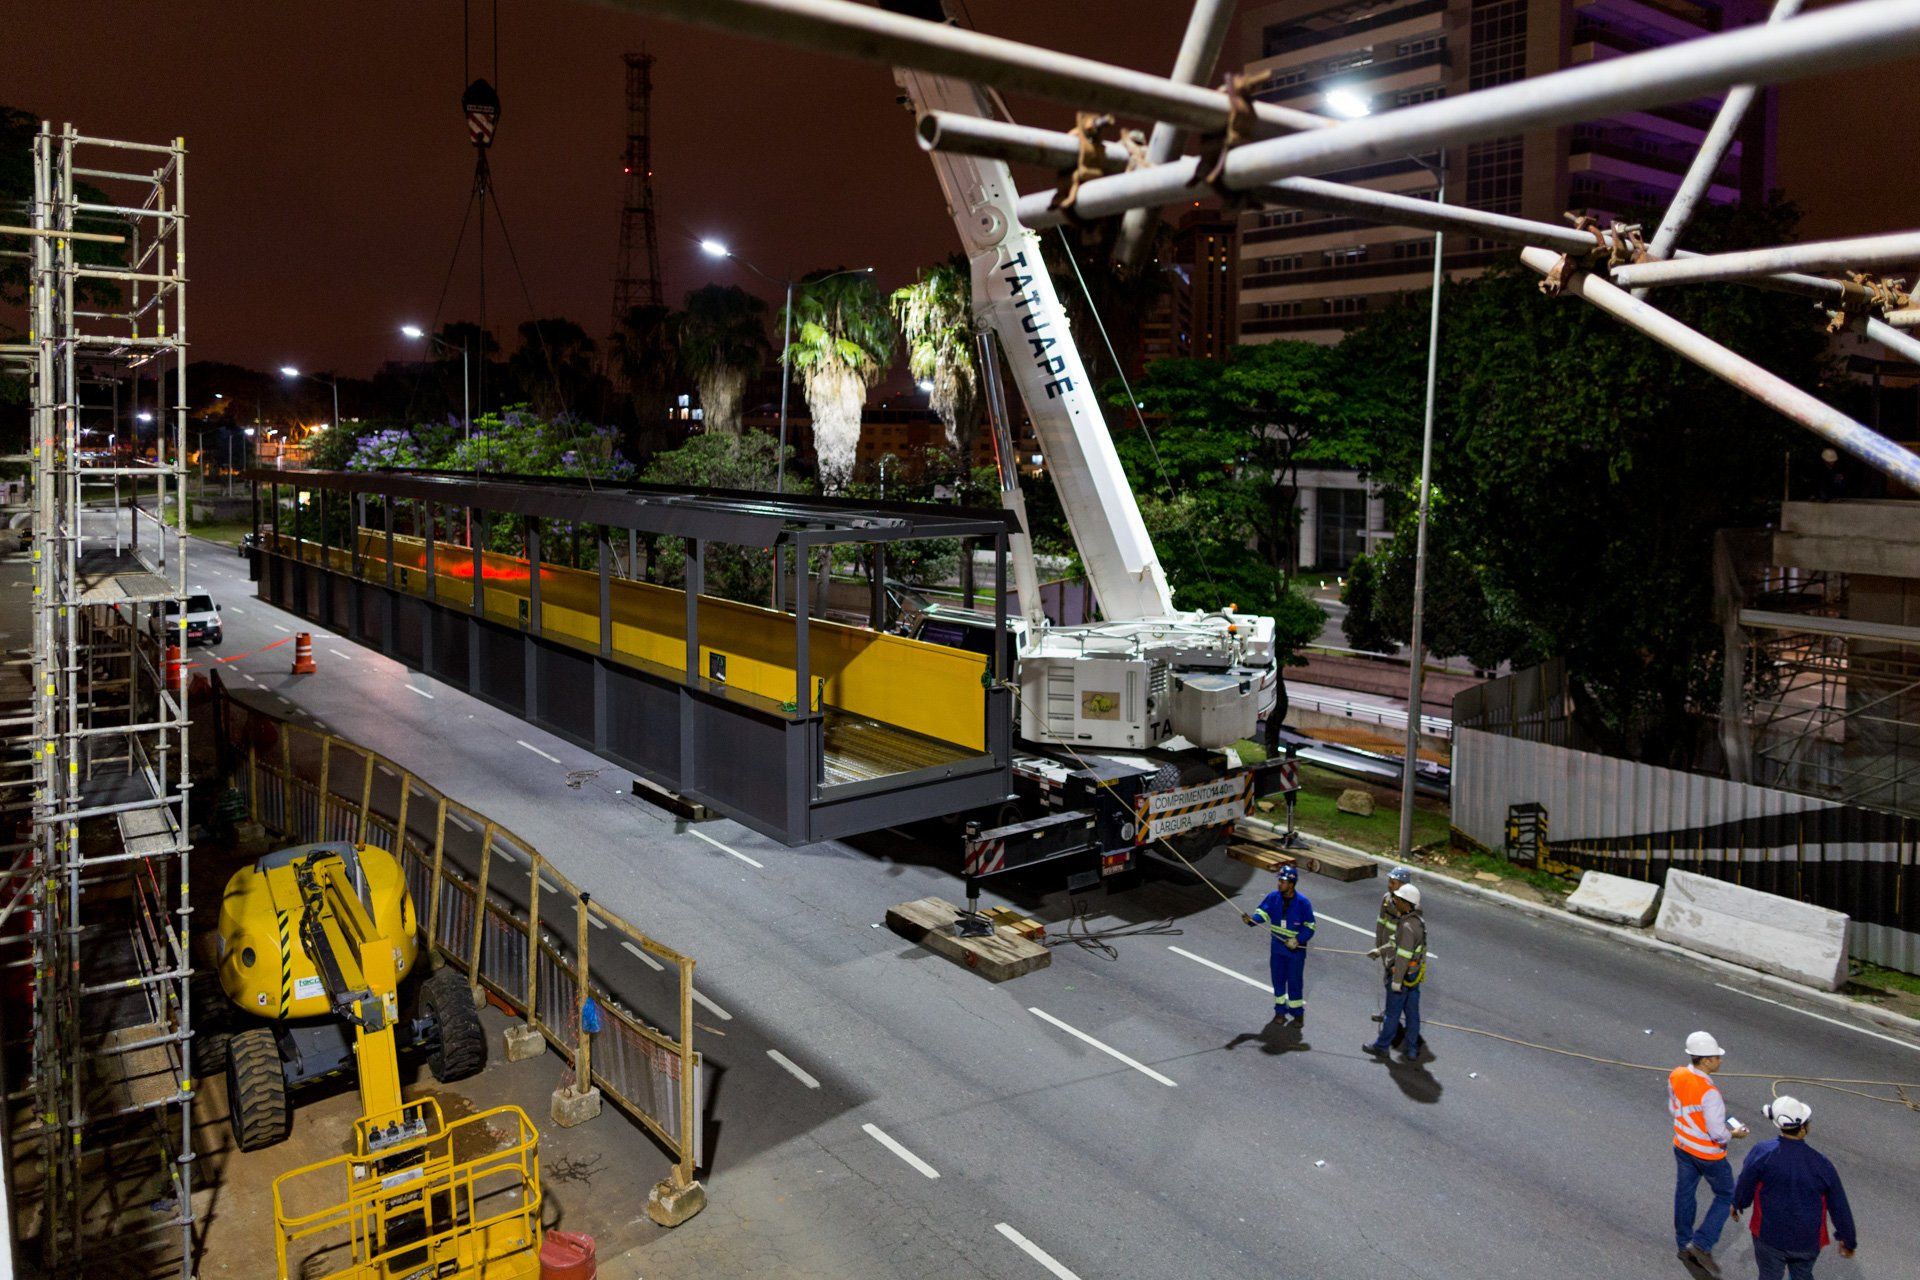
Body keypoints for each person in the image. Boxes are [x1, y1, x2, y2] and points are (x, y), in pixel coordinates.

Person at [1732, 1096, 1858, 1280]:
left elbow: (1745, 1182)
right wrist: (1848, 1240)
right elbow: (1839, 1206)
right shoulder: (1821, 1164)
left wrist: (1737, 1203)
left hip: (1768, 1236)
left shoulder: (1762, 1152)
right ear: (1804, 1127)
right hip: (1806, 1242)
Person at [1670, 1030, 1751, 1278]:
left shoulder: (1677, 1075)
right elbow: (1718, 1134)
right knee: (1727, 1195)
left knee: (1685, 1193)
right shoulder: (1709, 1092)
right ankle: (1702, 1244)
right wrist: (1734, 1134)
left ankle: (1683, 1243)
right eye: (1717, 1057)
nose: (1720, 1061)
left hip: (1682, 1146)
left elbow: (1675, 1108)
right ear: (1706, 1061)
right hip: (1707, 1154)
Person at [1362, 882, 1425, 1063]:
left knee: (1392, 1013)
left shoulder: (1406, 927)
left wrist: (1396, 981)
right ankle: (1411, 1049)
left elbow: (1403, 956)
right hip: (1413, 975)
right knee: (1412, 1014)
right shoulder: (1416, 921)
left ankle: (1382, 1047)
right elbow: (1395, 942)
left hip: (1402, 976)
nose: (1395, 901)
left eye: (1399, 899)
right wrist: (1380, 950)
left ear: (1406, 903)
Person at [1243, 865, 1315, 1025]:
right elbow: (1263, 913)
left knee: (1294, 982)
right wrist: (1252, 920)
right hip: (1277, 948)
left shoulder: (1303, 903)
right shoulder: (1273, 897)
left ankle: (1297, 1014)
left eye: (1283, 881)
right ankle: (1280, 1011)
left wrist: (1298, 940)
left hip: (1295, 951)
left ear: (1291, 884)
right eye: (1279, 881)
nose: (1279, 884)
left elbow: (1310, 926)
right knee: (1278, 981)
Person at [1370, 866, 1414, 1030]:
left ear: (1403, 885)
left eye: (1393, 882)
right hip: (1386, 948)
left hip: (1399, 950)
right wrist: (1378, 944)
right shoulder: (1387, 899)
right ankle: (1389, 1013)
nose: (1389, 885)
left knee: (1395, 984)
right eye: (1389, 881)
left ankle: (1393, 1017)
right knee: (1387, 981)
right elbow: (1381, 921)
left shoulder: (1409, 904)